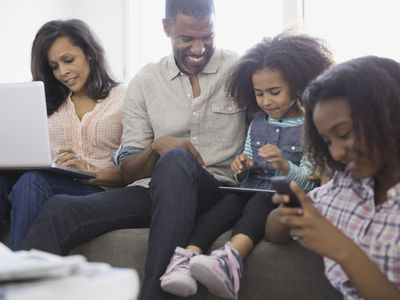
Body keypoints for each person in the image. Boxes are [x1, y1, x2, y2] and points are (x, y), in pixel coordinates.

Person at [20, 1, 247, 299]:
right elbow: (128, 168)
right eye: (187, 39)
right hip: (154, 191)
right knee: (60, 209)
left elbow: (277, 119)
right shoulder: (145, 81)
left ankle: (153, 294)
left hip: (216, 191)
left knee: (176, 160)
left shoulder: (239, 70)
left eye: (207, 37)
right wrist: (155, 148)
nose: (198, 48)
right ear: (167, 28)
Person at [159, 33, 334, 299]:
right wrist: (241, 166)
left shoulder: (311, 126)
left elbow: (309, 182)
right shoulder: (258, 123)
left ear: (298, 86)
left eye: (275, 92)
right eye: (259, 94)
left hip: (280, 196)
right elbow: (244, 166)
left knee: (260, 203)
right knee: (226, 204)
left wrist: (285, 166)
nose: (266, 101)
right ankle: (186, 258)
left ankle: (229, 261)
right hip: (251, 188)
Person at [266, 55, 400, 299]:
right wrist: (291, 212)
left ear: (389, 116)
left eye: (344, 134)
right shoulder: (345, 187)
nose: (336, 153)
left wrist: (340, 247)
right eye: (327, 141)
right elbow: (274, 233)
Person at [0, 19, 126, 250]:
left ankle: (19, 278)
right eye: (54, 66)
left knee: (32, 182)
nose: (63, 72)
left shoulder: (123, 98)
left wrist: (87, 172)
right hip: (45, 183)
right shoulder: (46, 104)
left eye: (68, 61)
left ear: (89, 52)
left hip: (99, 190)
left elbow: (134, 170)